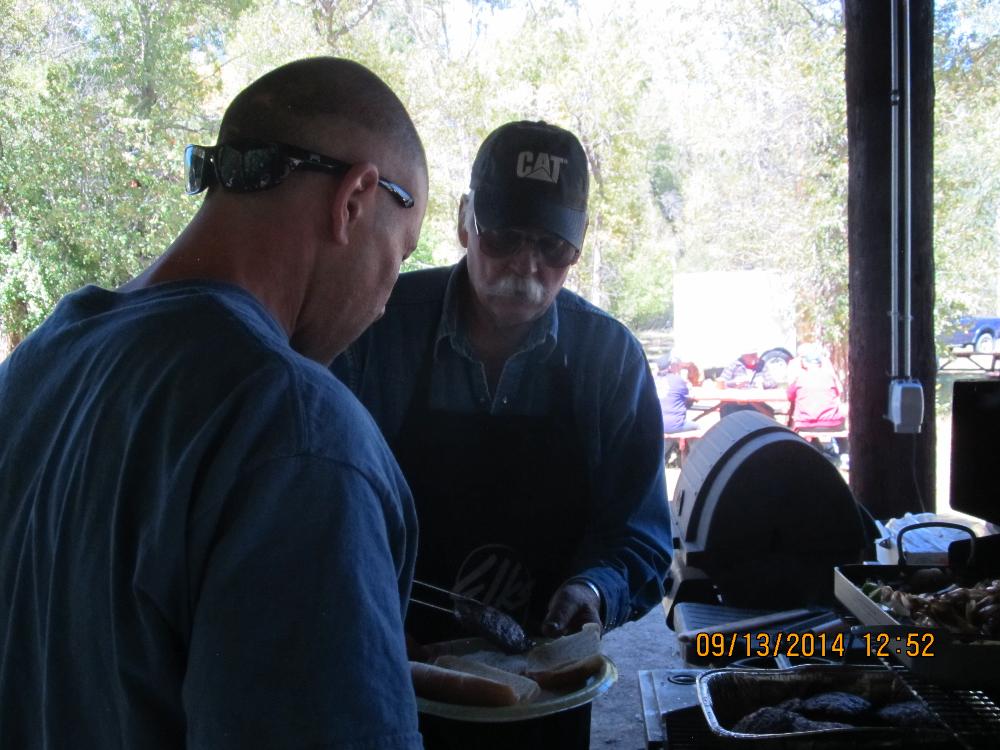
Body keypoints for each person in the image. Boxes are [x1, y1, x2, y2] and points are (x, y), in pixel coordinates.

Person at [0, 58, 428, 749]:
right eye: (401, 255)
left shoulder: (37, 366)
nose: (384, 303)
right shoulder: (298, 435)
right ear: (355, 200)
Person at [333, 120, 671, 748]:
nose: (526, 264)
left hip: (547, 697)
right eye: (504, 236)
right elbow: (322, 505)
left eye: (553, 245)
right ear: (464, 222)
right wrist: (364, 608)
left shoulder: (610, 359)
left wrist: (595, 589)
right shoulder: (379, 329)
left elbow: (640, 534)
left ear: (580, 244)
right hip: (387, 674)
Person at [787, 343, 848, 458]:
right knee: (841, 420)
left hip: (805, 424)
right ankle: (844, 453)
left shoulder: (799, 378)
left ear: (804, 363)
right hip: (832, 422)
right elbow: (837, 392)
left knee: (802, 418)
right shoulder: (830, 376)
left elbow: (790, 396)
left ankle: (815, 449)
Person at [718, 351, 778, 418]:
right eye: (752, 355)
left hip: (756, 401)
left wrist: (762, 383)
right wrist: (735, 383)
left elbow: (773, 383)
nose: (755, 357)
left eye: (755, 354)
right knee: (727, 409)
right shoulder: (734, 365)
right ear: (744, 356)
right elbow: (721, 382)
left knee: (768, 412)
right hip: (735, 402)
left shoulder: (762, 365)